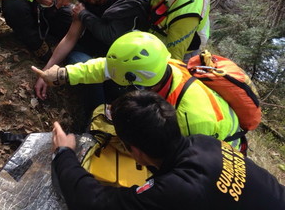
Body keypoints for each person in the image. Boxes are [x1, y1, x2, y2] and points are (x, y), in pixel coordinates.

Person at [51, 90, 285, 210]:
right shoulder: (205, 142)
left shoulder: (178, 189)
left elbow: (94, 202)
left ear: (136, 152)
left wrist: (64, 153)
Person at [32, 31, 241, 149]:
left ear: (137, 81)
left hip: (216, 149)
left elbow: (175, 165)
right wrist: (62, 74)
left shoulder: (187, 117)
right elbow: (104, 68)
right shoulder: (160, 65)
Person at [34, 0, 149, 128]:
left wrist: (85, 15)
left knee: (115, 86)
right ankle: (96, 121)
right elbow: (71, 37)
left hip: (117, 57)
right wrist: (46, 71)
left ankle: (107, 120)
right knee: (84, 66)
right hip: (88, 53)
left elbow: (112, 35)